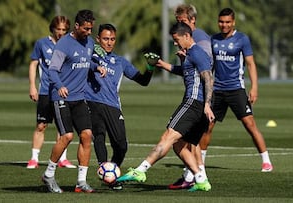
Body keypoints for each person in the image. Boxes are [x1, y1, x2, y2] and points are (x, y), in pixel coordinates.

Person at [117, 22, 215, 192]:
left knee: (168, 135)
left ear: (186, 36)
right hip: (198, 105)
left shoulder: (197, 52)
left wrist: (207, 104)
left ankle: (141, 170)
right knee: (179, 144)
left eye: (176, 39)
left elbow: (208, 78)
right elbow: (186, 71)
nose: (175, 43)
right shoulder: (190, 53)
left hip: (193, 103)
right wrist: (162, 64)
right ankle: (201, 180)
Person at [199, 7, 273, 172]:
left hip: (236, 89)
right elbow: (209, 66)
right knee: (208, 126)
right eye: (221, 22)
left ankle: (266, 161)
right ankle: (200, 163)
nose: (224, 25)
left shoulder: (242, 39)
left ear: (233, 22)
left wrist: (254, 88)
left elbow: (251, 64)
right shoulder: (213, 40)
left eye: (227, 22)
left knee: (249, 124)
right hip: (217, 90)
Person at [41, 9, 106, 193]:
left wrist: (96, 67)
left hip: (79, 97)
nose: (88, 32)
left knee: (86, 136)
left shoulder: (89, 42)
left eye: (90, 28)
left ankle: (81, 182)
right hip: (61, 97)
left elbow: (86, 61)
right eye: (85, 28)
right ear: (76, 26)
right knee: (67, 136)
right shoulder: (64, 44)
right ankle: (49, 174)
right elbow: (52, 70)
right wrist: (60, 85)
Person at [86, 23, 154, 190]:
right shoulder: (89, 54)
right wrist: (92, 55)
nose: (109, 42)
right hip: (92, 101)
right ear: (98, 39)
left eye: (112, 39)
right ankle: (106, 171)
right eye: (105, 39)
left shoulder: (120, 62)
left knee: (121, 145)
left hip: (113, 105)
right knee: (99, 136)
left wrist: (151, 67)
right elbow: (80, 60)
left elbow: (143, 81)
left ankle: (111, 172)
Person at [168, 4, 213, 190]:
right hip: (198, 95)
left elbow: (205, 71)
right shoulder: (187, 42)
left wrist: (207, 103)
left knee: (187, 138)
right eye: (178, 22)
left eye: (183, 22)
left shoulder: (200, 41)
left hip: (203, 96)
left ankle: (194, 176)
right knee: (191, 139)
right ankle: (195, 176)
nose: (180, 25)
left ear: (192, 20)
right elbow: (189, 69)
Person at [26, 16, 76, 169]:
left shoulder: (70, 44)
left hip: (63, 91)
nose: (61, 32)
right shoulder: (42, 44)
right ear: (53, 28)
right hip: (45, 91)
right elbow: (34, 64)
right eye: (58, 29)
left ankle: (63, 159)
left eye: (64, 30)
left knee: (63, 127)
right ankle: (34, 159)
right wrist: (32, 86)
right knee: (41, 125)